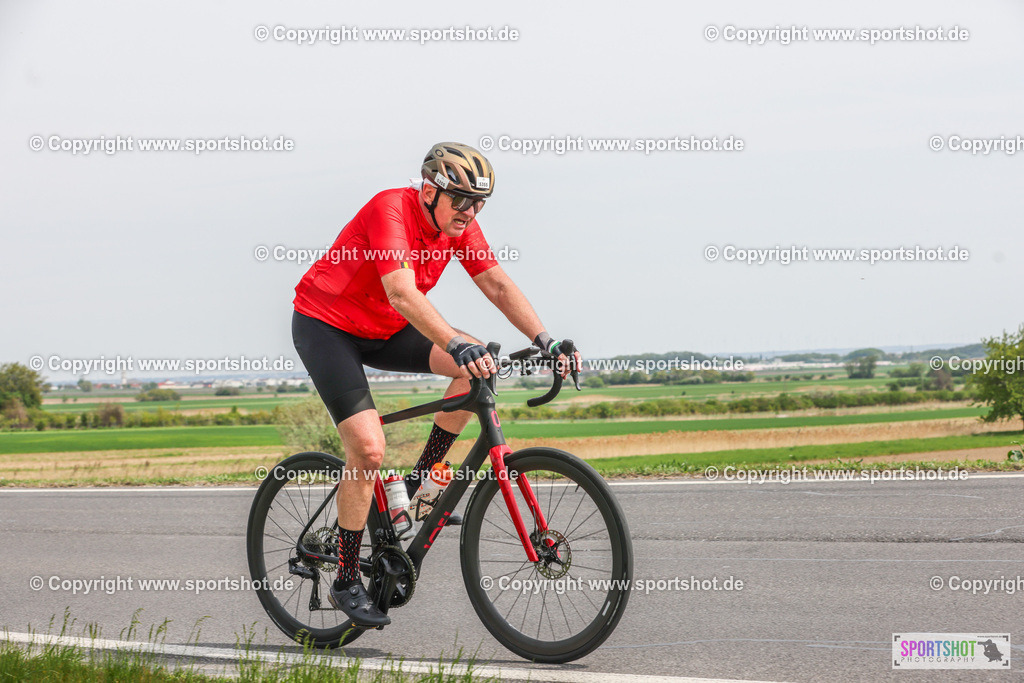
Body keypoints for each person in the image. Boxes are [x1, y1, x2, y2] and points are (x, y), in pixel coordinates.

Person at [291, 142, 581, 627]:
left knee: (477, 365)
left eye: (479, 202)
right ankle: (344, 576)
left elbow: (497, 284)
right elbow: (401, 291)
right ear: (430, 191)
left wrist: (546, 339)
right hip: (328, 325)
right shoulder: (392, 210)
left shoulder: (459, 225)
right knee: (367, 447)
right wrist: (452, 340)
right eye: (461, 200)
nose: (470, 211)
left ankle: (417, 483)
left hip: (384, 327)